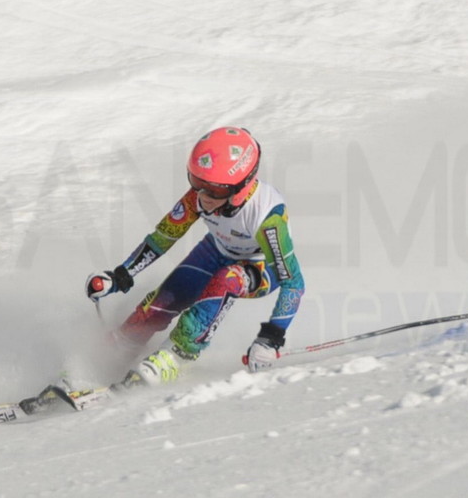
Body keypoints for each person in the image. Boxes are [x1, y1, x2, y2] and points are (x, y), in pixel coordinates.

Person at [85, 127, 305, 387]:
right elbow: (162, 238)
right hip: (216, 251)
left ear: (241, 187)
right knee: (159, 303)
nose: (203, 197)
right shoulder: (198, 199)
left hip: (260, 267)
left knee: (228, 279)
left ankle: (179, 353)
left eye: (214, 190)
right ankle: (117, 350)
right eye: (197, 182)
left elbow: (293, 283)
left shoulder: (268, 217)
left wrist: (270, 339)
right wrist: (121, 276)